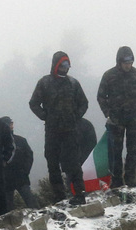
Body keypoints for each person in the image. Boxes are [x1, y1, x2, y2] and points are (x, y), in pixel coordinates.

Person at [29, 50, 90, 205]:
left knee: (74, 163)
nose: (65, 67)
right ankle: (59, 196)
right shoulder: (44, 82)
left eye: (67, 64)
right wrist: (45, 116)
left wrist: (76, 116)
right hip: (52, 131)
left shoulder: (73, 83)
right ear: (56, 65)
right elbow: (33, 103)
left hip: (70, 130)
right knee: (52, 163)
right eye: (62, 64)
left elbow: (84, 103)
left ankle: (79, 194)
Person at [97, 46, 136, 193]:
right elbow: (101, 96)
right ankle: (116, 181)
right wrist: (108, 113)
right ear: (119, 61)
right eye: (126, 62)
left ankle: (130, 178)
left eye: (131, 61)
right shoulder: (109, 76)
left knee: (133, 149)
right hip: (116, 121)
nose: (128, 64)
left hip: (134, 119)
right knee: (116, 151)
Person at [2, 119, 39, 208]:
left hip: (19, 176)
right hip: (8, 178)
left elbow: (29, 156)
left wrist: (25, 171)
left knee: (30, 201)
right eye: (10, 124)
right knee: (8, 205)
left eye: (11, 124)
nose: (11, 126)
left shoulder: (21, 140)